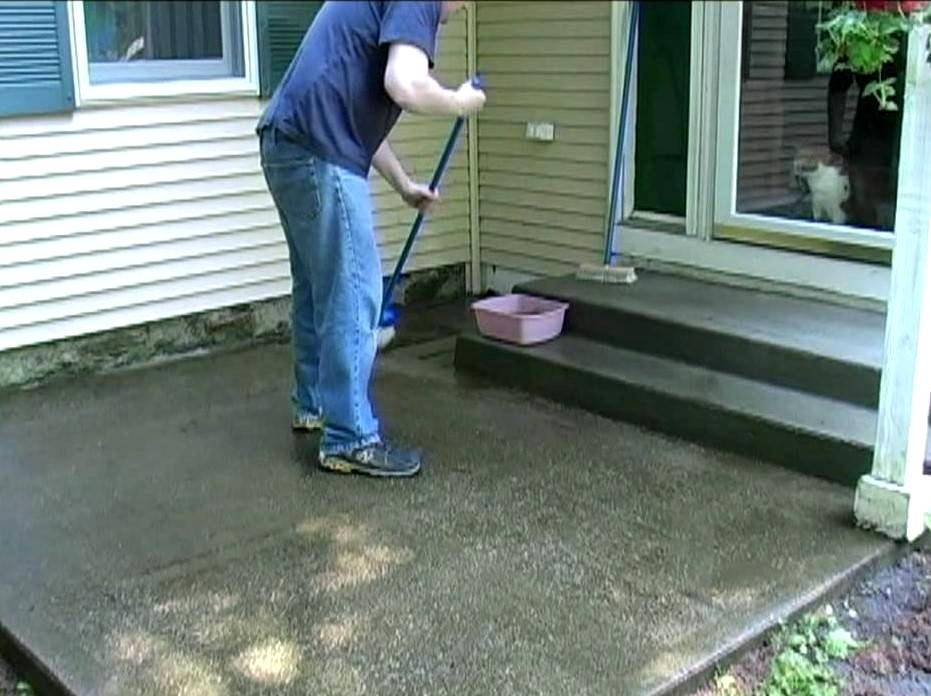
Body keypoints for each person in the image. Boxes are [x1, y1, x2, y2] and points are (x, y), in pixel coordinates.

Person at [256, 1, 485, 478]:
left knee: (319, 289)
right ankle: (349, 437)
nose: (465, 7)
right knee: (354, 290)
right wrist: (458, 102)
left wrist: (403, 183)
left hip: (288, 141)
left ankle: (315, 404)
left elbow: (356, 110)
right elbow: (403, 84)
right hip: (317, 147)